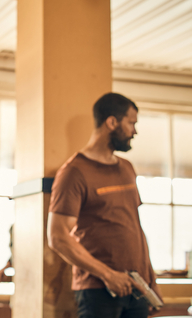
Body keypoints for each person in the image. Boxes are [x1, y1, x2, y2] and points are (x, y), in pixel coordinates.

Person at [47, 92, 162, 318]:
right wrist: (108, 275)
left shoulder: (127, 168)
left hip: (137, 288)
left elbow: (135, 227)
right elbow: (58, 237)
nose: (135, 131)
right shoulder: (74, 172)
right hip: (97, 291)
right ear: (112, 122)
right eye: (131, 123)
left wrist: (151, 280)